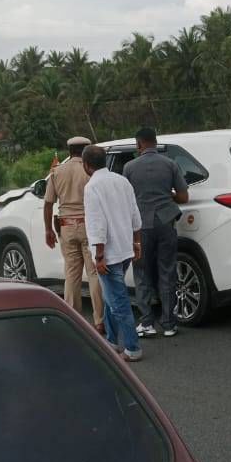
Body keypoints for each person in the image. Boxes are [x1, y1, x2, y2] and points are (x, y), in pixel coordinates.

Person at [124, 127, 189, 338]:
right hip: (165, 222)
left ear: (139, 144)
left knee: (142, 273)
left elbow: (127, 200)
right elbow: (183, 197)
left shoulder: (129, 167)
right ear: (155, 142)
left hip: (141, 225)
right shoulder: (170, 164)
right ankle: (169, 324)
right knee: (167, 271)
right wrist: (167, 196)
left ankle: (147, 323)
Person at [82, 145, 144, 361]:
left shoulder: (92, 187)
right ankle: (109, 340)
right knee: (110, 299)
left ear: (86, 165)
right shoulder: (122, 181)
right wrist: (137, 243)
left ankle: (132, 348)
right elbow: (135, 214)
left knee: (119, 303)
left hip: (108, 254)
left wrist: (99, 257)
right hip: (125, 249)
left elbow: (97, 224)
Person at [43, 136, 105, 334]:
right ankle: (99, 320)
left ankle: (74, 320)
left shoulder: (57, 171)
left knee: (71, 274)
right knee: (94, 273)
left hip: (66, 227)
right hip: (89, 226)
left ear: (69, 151)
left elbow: (48, 203)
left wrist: (48, 230)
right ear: (86, 150)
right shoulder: (91, 171)